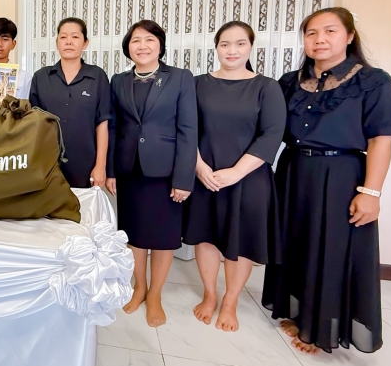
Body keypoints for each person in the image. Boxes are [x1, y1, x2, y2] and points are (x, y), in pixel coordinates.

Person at [262, 7, 391, 354]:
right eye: (311, 33)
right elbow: (268, 128)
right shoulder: (289, 82)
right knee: (296, 245)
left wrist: (371, 193)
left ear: (349, 36)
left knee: (332, 250)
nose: (319, 39)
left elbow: (380, 140)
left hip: (341, 176)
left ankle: (322, 328)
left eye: (330, 31)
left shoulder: (373, 81)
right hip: (294, 172)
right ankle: (300, 315)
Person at [183, 21, 286, 332]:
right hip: (206, 175)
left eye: (240, 43)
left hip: (249, 178)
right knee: (205, 236)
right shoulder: (197, 84)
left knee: (240, 241)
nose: (232, 50)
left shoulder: (267, 87)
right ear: (216, 47)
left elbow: (272, 134)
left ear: (250, 47)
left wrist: (237, 172)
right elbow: (187, 129)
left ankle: (230, 301)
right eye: (225, 44)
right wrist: (199, 167)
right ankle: (210, 294)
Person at [106, 20, 197, 327]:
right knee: (133, 235)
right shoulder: (119, 81)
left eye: (149, 39)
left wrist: (183, 178)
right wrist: (111, 171)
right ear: (127, 47)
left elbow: (188, 130)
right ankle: (139, 287)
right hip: (129, 169)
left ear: (160, 44)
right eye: (136, 41)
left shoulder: (180, 78)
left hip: (165, 172)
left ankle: (155, 294)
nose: (142, 46)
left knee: (162, 238)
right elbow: (114, 127)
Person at [29, 17, 111, 189]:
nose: (68, 42)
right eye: (63, 37)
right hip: (47, 163)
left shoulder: (97, 76)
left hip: (85, 164)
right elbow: (32, 124)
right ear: (57, 42)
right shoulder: (41, 77)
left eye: (75, 37)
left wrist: (100, 166)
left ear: (85, 43)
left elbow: (102, 123)